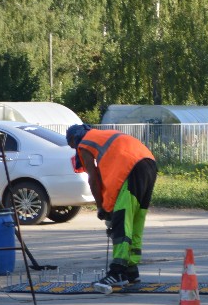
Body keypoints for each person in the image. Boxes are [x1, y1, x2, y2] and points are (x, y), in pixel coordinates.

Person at [65, 124, 158, 293]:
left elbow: (93, 179)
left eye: (73, 146)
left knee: (121, 221)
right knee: (136, 219)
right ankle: (131, 270)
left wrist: (102, 208)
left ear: (73, 139)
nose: (75, 150)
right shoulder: (102, 135)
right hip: (148, 164)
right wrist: (108, 207)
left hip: (131, 167)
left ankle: (117, 272)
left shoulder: (84, 143)